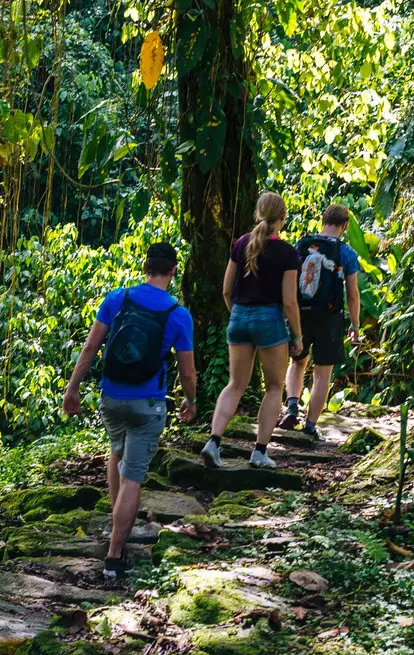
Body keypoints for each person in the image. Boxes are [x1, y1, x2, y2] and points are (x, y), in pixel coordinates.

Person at [62, 242, 198, 580]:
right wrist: (191, 400)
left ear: (146, 267)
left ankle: (117, 519)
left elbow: (91, 346)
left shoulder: (117, 298)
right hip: (148, 404)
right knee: (133, 474)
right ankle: (114, 555)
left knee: (117, 452)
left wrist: (72, 387)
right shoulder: (178, 314)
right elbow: (187, 371)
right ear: (172, 271)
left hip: (111, 398)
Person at [201, 191, 304, 469]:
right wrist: (297, 336)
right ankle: (259, 452)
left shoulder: (241, 244)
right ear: (281, 219)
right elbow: (289, 301)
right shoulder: (286, 252)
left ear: (258, 214)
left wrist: (238, 314)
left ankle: (213, 442)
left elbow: (226, 290)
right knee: (273, 388)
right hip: (269, 320)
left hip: (239, 316)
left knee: (235, 384)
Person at [279, 202, 363, 442]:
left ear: (323, 220)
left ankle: (292, 406)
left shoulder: (301, 245)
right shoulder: (346, 252)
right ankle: (311, 426)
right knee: (322, 373)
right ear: (345, 225)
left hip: (300, 313)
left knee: (297, 362)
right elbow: (353, 294)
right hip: (330, 318)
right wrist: (355, 326)